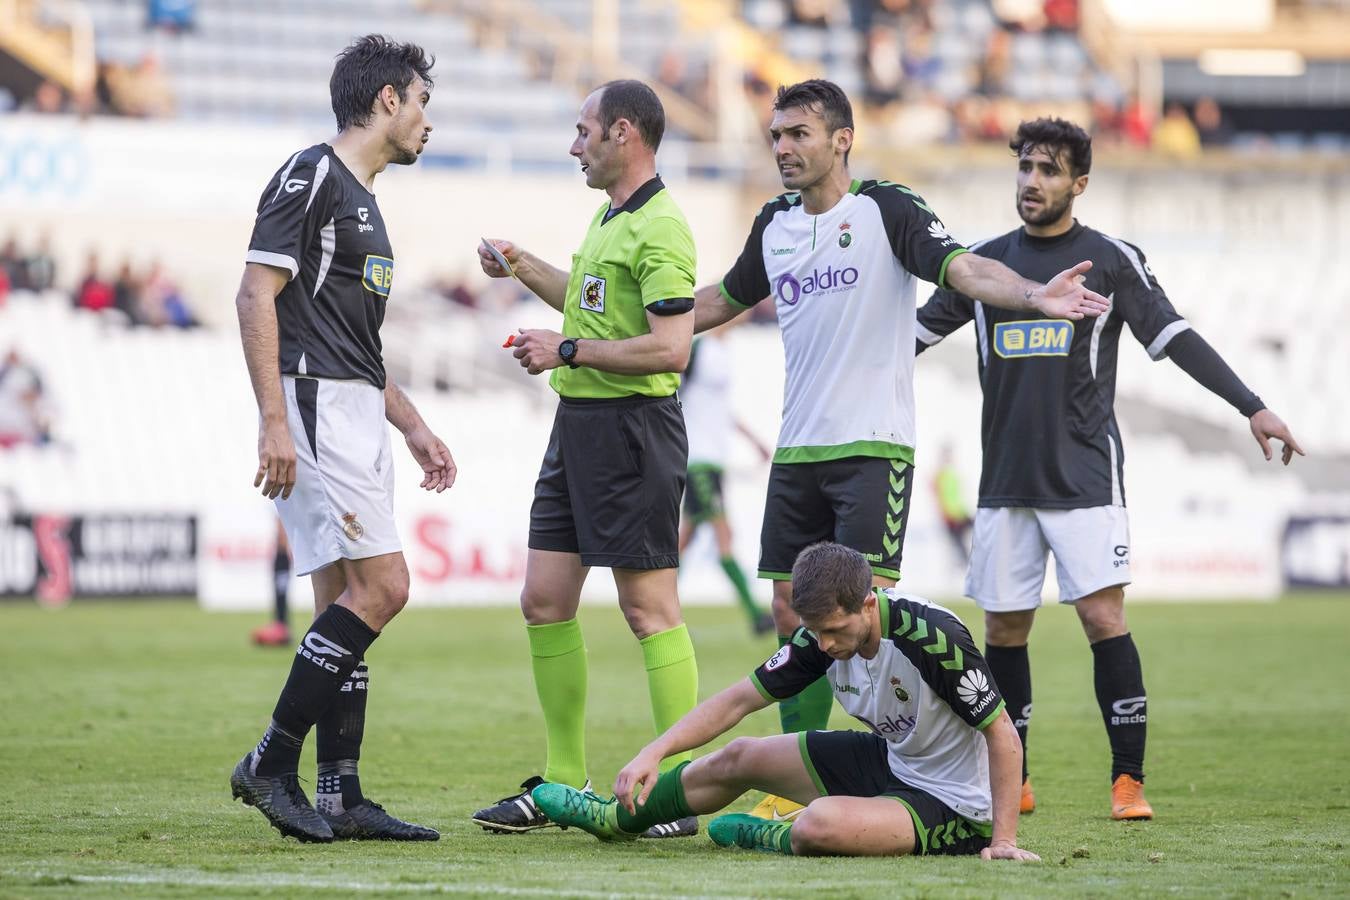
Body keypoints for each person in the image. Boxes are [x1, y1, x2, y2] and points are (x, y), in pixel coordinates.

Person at [688, 79, 1110, 820]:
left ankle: (933, 765)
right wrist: (604, 333)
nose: (783, 147)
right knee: (792, 610)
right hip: (797, 449)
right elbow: (718, 302)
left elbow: (964, 269)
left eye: (798, 134)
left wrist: (1035, 293)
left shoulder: (888, 209)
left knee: (862, 614)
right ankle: (797, 782)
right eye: (777, 135)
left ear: (842, 139)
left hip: (873, 450)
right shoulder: (775, 223)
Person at [916, 117, 1303, 820]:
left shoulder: (1111, 258)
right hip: (1005, 480)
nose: (1032, 181)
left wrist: (1253, 405)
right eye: (1025, 167)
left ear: (1079, 184)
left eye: (1049, 170)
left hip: (1085, 477)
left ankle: (1129, 782)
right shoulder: (982, 265)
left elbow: (1174, 337)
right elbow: (909, 336)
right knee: (1004, 630)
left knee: (1101, 615)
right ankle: (1017, 779)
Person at [229, 35, 455, 844]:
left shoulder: (364, 195)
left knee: (341, 604)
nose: (429, 120)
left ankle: (340, 793)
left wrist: (415, 424)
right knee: (383, 590)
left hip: (352, 407)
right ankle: (269, 762)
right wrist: (274, 418)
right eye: (423, 101)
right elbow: (256, 294)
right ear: (389, 99)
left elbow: (360, 345)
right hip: (315, 406)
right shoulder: (313, 173)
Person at [471, 80, 701, 839]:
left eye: (583, 132)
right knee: (543, 599)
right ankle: (564, 782)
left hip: (634, 431)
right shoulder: (610, 216)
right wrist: (522, 265)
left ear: (623, 134)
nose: (575, 146)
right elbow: (591, 301)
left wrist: (566, 348)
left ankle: (673, 790)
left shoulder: (663, 225)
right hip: (579, 428)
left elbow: (671, 346)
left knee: (648, 610)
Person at [531, 542, 1038, 861]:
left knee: (820, 823)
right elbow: (736, 701)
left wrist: (1005, 841)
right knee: (741, 755)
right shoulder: (821, 636)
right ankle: (615, 821)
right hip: (893, 760)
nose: (824, 646)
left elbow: (1002, 733)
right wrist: (654, 752)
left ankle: (768, 836)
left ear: (867, 603)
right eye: (814, 632)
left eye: (834, 631)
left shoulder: (933, 638)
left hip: (955, 804)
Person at [678, 329, 774, 635]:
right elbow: (673, 390)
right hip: (698, 461)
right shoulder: (698, 347)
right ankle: (756, 615)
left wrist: (754, 440)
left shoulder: (722, 351)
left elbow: (722, 412)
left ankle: (655, 604)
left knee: (684, 540)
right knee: (724, 535)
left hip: (712, 461)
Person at [251, 518, 293, 647]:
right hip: (281, 557)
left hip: (282, 558)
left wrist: (284, 550)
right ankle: (281, 625)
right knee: (280, 593)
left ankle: (282, 628)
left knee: (281, 593)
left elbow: (282, 534)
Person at [932, 443, 973, 565]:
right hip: (951, 517)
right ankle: (966, 568)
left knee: (978, 534)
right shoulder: (940, 475)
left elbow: (957, 497)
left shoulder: (952, 473)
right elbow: (940, 499)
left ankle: (970, 566)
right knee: (958, 546)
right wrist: (946, 515)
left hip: (960, 513)